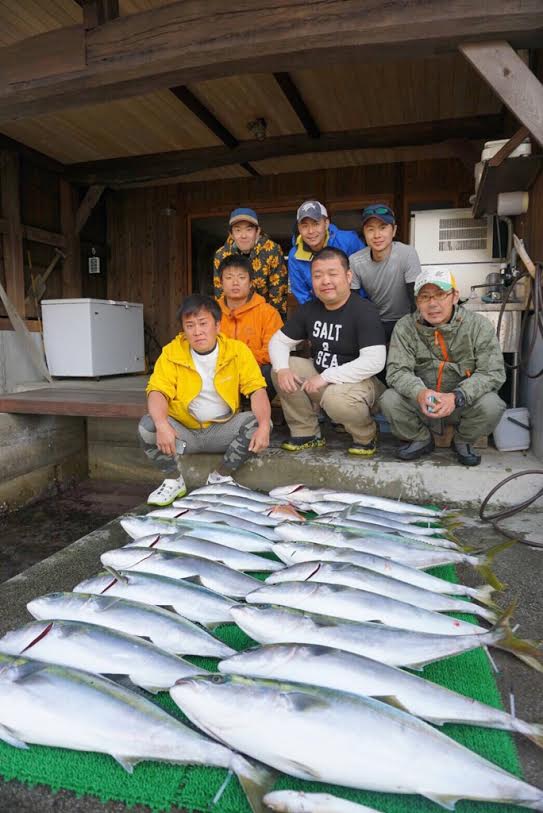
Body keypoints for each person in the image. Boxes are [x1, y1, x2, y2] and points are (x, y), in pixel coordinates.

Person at [138, 294, 271, 506]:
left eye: (203, 323)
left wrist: (264, 426)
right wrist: (162, 424)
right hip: (183, 438)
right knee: (148, 425)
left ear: (218, 325)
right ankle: (173, 480)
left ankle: (220, 476)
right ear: (183, 330)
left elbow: (257, 390)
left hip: (222, 432)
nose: (197, 331)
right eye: (189, 325)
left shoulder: (237, 351)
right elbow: (157, 392)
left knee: (260, 422)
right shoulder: (172, 353)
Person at [380, 268, 506, 466]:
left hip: (461, 404)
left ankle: (463, 440)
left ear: (455, 296)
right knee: (389, 399)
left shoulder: (478, 326)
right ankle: (421, 438)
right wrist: (420, 392)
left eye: (440, 295)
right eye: (425, 297)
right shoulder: (405, 326)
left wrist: (457, 396)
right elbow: (397, 371)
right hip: (423, 404)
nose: (433, 304)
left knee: (492, 404)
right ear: (417, 302)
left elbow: (492, 372)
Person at [270, 247, 386, 457]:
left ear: (348, 276)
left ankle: (366, 436)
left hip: (362, 385)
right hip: (323, 380)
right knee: (284, 368)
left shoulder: (364, 310)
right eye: (318, 275)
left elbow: (375, 361)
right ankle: (307, 433)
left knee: (336, 398)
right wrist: (282, 369)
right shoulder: (309, 309)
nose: (325, 281)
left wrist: (326, 376)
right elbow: (278, 341)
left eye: (332, 274)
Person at [349, 203, 422, 342]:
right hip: (375, 321)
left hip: (406, 320)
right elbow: (354, 302)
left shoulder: (407, 253)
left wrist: (414, 330)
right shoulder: (355, 261)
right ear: (364, 233)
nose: (377, 235)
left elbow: (415, 298)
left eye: (383, 228)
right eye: (370, 229)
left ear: (394, 230)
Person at [217, 254, 283, 400]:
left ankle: (257, 410)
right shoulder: (211, 312)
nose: (235, 283)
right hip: (218, 374)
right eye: (228, 278)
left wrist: (240, 361)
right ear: (220, 282)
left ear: (251, 282)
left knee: (271, 370)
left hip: (254, 373)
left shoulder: (268, 313)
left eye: (241, 277)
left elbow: (273, 351)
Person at [213, 207, 288, 319]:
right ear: (231, 234)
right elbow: (220, 292)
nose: (243, 236)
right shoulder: (221, 255)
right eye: (238, 230)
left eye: (249, 229)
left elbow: (278, 294)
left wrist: (273, 323)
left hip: (264, 316)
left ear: (257, 231)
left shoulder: (272, 250)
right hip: (232, 316)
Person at [288, 200, 366, 305]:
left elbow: (365, 278)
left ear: (326, 223)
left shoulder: (348, 241)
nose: (311, 231)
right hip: (320, 309)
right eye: (305, 226)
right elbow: (302, 294)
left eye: (316, 224)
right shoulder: (294, 256)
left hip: (354, 305)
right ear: (299, 228)